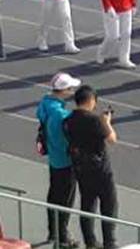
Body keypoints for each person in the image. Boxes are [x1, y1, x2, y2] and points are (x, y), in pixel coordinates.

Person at [64, 84, 119, 249]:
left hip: (81, 168)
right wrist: (106, 122)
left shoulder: (69, 119)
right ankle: (110, 242)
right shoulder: (94, 120)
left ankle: (90, 242)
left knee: (87, 205)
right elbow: (111, 139)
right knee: (109, 205)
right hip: (101, 170)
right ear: (91, 100)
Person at [37, 72, 79, 247]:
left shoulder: (45, 104)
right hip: (64, 161)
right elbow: (61, 139)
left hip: (54, 159)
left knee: (54, 194)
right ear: (63, 91)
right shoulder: (60, 114)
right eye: (70, 88)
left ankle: (53, 231)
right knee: (65, 200)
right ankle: (62, 235)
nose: (72, 91)